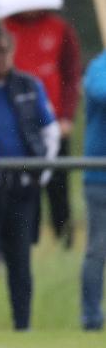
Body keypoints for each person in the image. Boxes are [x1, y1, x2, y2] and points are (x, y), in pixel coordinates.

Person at [0, 24, 59, 331]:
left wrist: (41, 174)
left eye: (3, 50)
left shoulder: (29, 86)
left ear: (12, 52)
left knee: (20, 262)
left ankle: (23, 326)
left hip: (22, 189)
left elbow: (50, 131)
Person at [3, 11, 81, 246]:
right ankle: (26, 244)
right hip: (18, 127)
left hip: (53, 126)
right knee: (24, 188)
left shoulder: (60, 28)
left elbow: (71, 75)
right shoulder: (5, 26)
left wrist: (67, 116)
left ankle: (64, 242)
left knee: (58, 188)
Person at [81, 48, 106, 331]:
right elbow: (101, 93)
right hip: (100, 178)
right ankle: (91, 317)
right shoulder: (100, 66)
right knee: (98, 249)